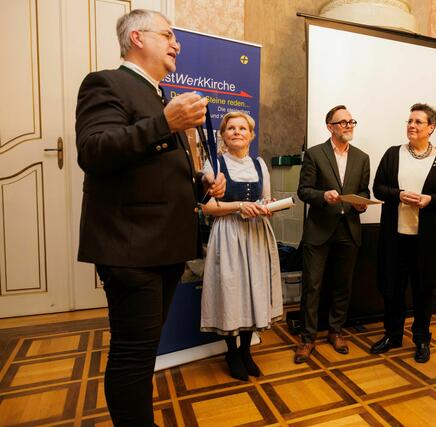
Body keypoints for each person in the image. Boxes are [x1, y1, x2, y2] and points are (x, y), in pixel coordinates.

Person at [75, 9, 225, 426]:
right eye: (168, 35)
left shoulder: (160, 96)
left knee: (143, 352)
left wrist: (201, 185)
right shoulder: (106, 83)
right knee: (133, 354)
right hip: (131, 247)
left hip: (163, 246)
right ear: (137, 38)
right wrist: (164, 123)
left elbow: (157, 176)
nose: (177, 43)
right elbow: (93, 151)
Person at [370, 103, 436, 363]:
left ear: (431, 128)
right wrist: (398, 195)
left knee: (424, 289)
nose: (411, 125)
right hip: (395, 237)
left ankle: (421, 339)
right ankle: (392, 335)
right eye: (409, 121)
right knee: (392, 288)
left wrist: (430, 200)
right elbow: (378, 188)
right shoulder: (392, 154)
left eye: (418, 122)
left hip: (427, 240)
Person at [200, 111, 283, 380]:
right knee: (231, 291)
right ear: (223, 135)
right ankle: (232, 352)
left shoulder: (259, 164)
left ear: (251, 135)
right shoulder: (214, 164)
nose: (237, 132)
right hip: (228, 234)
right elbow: (208, 207)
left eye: (242, 128)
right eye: (231, 128)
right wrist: (239, 206)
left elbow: (265, 199)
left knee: (252, 290)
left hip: (256, 234)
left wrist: (269, 207)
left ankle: (246, 351)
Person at [295, 105, 371, 363]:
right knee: (312, 286)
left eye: (351, 121)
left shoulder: (362, 157)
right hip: (319, 229)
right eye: (343, 122)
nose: (348, 126)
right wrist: (323, 196)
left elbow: (364, 191)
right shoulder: (315, 154)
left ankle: (336, 331)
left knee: (342, 285)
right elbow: (303, 191)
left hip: (349, 229)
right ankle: (307, 338)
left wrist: (362, 203)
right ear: (330, 127)